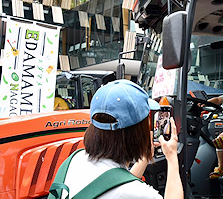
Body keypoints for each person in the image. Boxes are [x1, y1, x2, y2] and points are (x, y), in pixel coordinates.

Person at [54, 80, 183, 198]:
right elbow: (124, 190)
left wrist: (145, 156)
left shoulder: (74, 160)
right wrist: (172, 157)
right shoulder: (137, 193)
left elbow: (114, 183)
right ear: (136, 133)